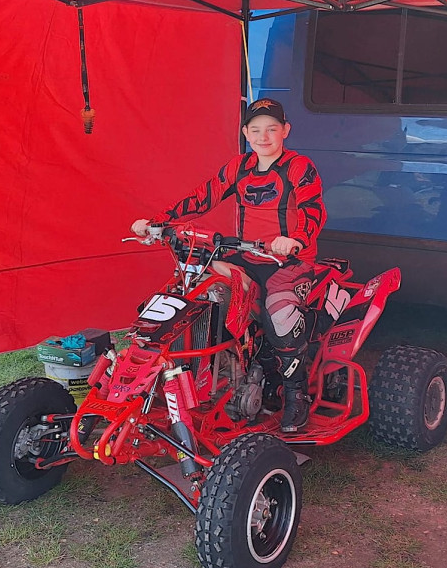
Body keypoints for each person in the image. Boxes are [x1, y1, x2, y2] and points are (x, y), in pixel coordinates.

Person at [132, 98, 326, 432]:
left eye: (271, 129)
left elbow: (314, 208)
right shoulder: (239, 166)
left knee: (279, 314)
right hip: (245, 255)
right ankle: (205, 373)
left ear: (285, 131)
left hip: (289, 260)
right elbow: (202, 197)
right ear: (245, 133)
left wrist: (295, 238)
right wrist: (157, 222)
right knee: (199, 290)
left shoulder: (298, 166)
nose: (263, 137)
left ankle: (296, 393)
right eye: (256, 130)